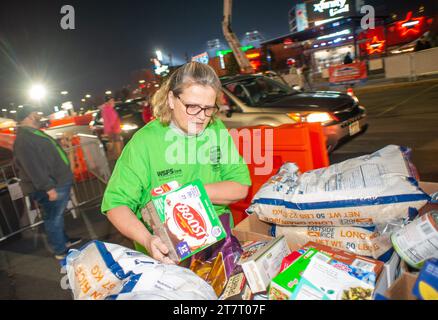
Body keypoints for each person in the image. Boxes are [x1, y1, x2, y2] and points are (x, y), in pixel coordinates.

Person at [101, 62, 251, 264]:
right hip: (167, 253)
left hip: (219, 244)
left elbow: (240, 187)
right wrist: (147, 240)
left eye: (208, 108)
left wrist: (188, 196)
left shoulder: (215, 129)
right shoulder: (143, 143)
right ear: (171, 99)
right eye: (192, 106)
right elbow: (116, 205)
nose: (201, 117)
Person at [13, 105, 81, 260]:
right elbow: (33, 168)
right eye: (35, 114)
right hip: (51, 186)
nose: (38, 116)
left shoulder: (31, 134)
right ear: (28, 117)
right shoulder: (24, 139)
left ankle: (63, 241)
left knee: (56, 216)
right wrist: (48, 188)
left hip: (56, 182)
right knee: (53, 218)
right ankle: (59, 250)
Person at [101, 96, 124, 161]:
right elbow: (107, 122)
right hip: (113, 131)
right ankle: (119, 160)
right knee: (117, 147)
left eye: (113, 100)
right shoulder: (106, 109)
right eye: (112, 100)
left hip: (115, 130)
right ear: (108, 102)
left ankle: (118, 159)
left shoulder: (110, 109)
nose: (113, 102)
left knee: (118, 146)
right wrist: (108, 132)